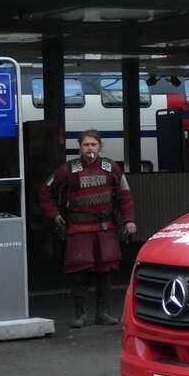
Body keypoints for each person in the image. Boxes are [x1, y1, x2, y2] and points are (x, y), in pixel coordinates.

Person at [39, 129, 137, 327]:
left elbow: (125, 195)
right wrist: (55, 215)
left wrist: (129, 220)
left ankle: (103, 312)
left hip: (105, 228)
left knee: (105, 271)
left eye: (93, 144)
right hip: (78, 228)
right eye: (86, 145)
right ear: (79, 147)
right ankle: (80, 314)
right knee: (79, 272)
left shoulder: (112, 168)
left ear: (100, 146)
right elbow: (45, 191)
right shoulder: (68, 169)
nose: (90, 148)